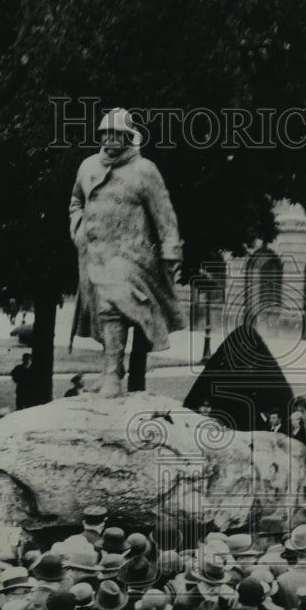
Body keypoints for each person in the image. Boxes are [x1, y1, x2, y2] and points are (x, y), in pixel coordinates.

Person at [69, 107, 184, 397]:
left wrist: (171, 253)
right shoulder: (87, 167)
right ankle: (113, 369)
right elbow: (75, 201)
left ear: (128, 135)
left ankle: (112, 376)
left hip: (133, 255)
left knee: (112, 298)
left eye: (115, 133)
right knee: (103, 311)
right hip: (95, 253)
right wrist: (78, 228)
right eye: (104, 133)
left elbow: (165, 215)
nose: (109, 138)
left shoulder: (144, 170)